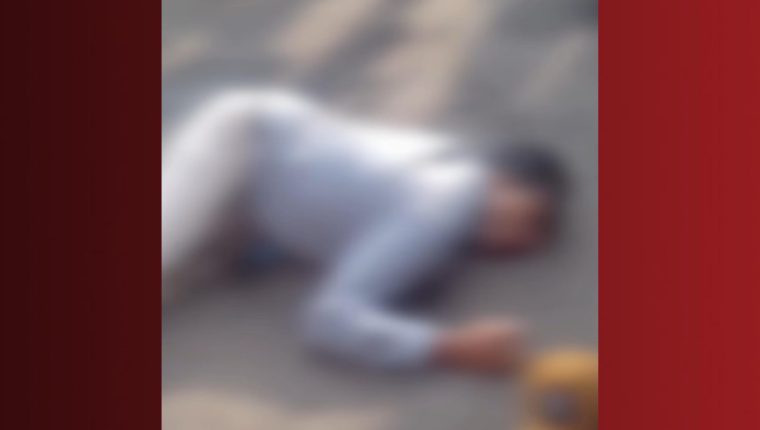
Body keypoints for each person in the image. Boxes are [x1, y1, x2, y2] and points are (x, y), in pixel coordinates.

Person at [162, 88, 565, 373]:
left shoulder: (448, 164)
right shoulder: (452, 200)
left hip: (254, 169)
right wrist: (450, 346)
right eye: (535, 217)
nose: (528, 241)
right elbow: (330, 319)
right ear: (503, 179)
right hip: (242, 145)